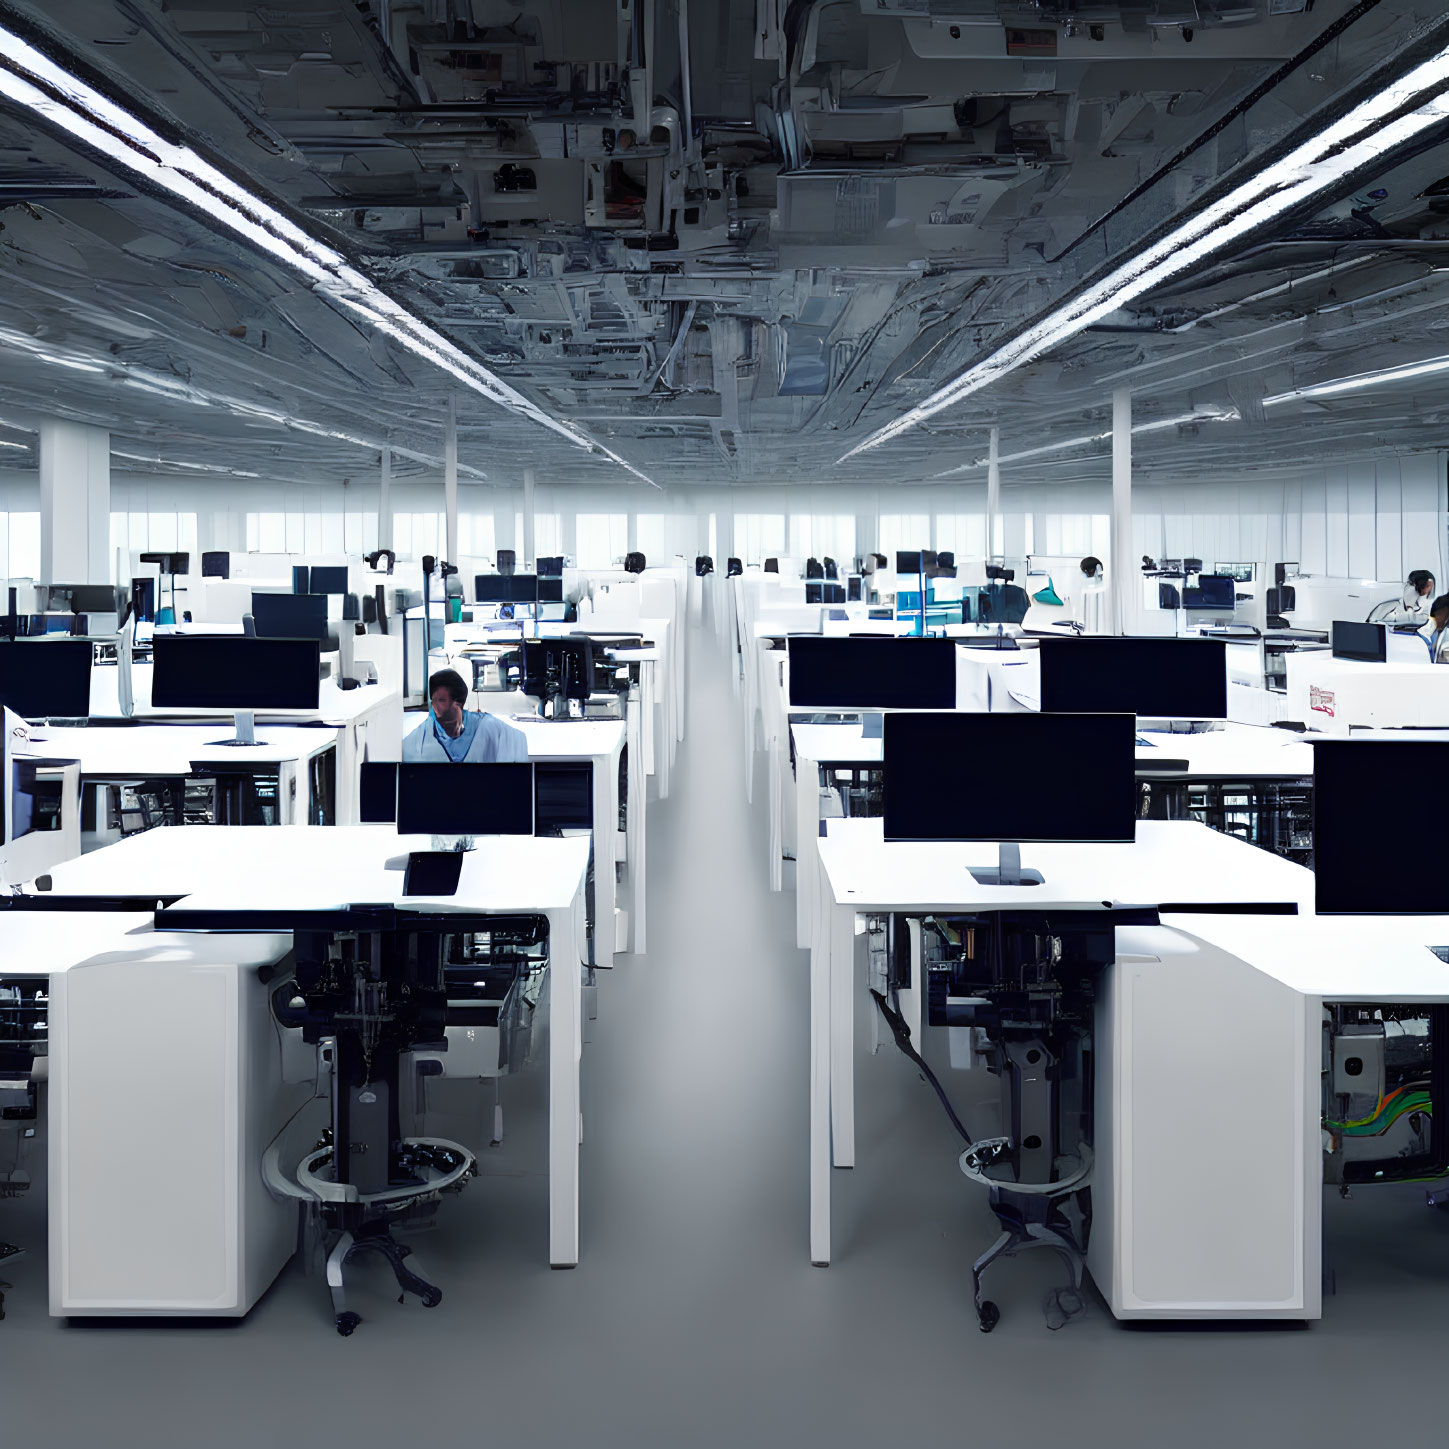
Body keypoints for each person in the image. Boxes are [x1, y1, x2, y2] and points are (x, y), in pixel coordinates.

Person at [402, 668, 528, 762]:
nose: (435, 707)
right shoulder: (419, 739)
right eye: (433, 701)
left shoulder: (488, 728)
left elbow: (517, 742)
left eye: (441, 700)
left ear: (458, 702)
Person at [1426, 594, 1449, 663]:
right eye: (1435, 616)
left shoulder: (1446, 633)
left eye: (1438, 615)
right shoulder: (1436, 631)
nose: (1436, 619)